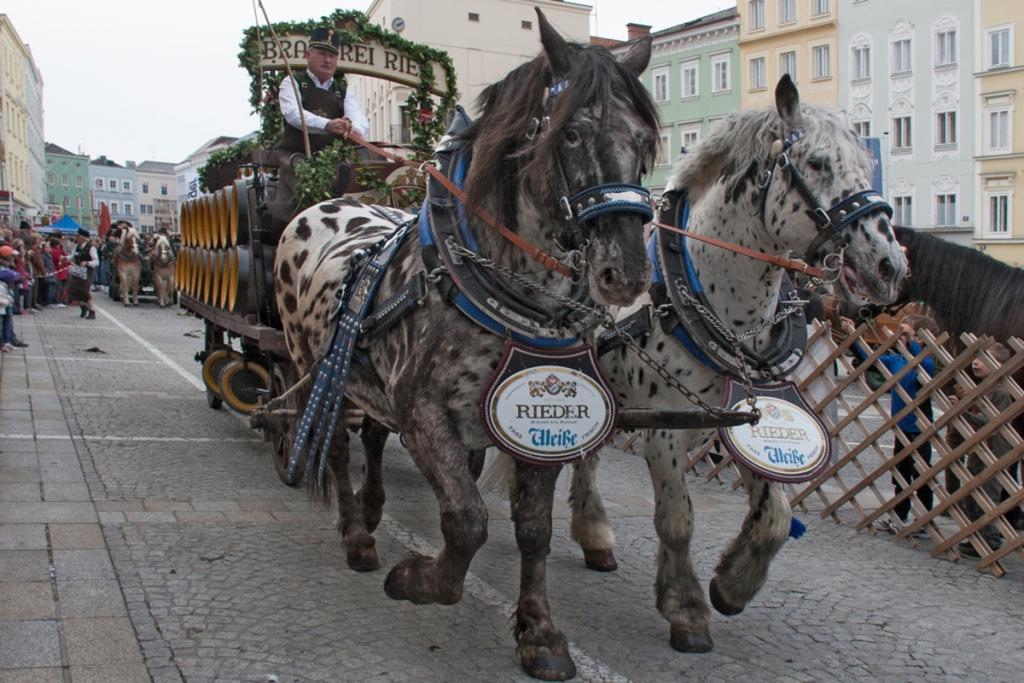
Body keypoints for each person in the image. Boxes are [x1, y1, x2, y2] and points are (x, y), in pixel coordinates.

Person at [842, 313, 938, 535]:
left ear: (921, 339)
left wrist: (910, 341)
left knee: (920, 475)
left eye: (906, 333)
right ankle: (899, 515)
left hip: (919, 427)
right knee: (900, 474)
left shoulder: (926, 361)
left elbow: (920, 361)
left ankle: (923, 519)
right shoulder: (897, 360)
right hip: (901, 426)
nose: (899, 336)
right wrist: (852, 335)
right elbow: (869, 359)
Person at [951, 343, 1020, 559]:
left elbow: (988, 423)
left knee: (987, 496)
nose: (976, 362)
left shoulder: (1000, 393)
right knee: (971, 496)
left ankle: (989, 541)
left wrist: (961, 410)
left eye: (983, 359)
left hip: (993, 453)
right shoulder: (984, 389)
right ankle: (975, 538)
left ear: (999, 365)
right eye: (976, 358)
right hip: (978, 450)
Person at [277, 27, 370, 155]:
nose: (327, 60)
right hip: (296, 158)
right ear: (307, 55)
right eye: (322, 54)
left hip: (333, 161)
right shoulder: (291, 82)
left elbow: (356, 115)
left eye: (332, 56)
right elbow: (293, 113)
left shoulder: (343, 91)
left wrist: (357, 130)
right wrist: (327, 125)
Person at [68, 228, 99, 319]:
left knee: (85, 291)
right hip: (77, 271)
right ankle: (83, 306)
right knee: (74, 290)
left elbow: (97, 262)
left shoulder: (91, 248)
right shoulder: (77, 246)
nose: (76, 238)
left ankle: (92, 311)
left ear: (84, 238)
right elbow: (73, 256)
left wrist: (87, 263)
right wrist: (65, 258)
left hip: (87, 272)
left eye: (78, 236)